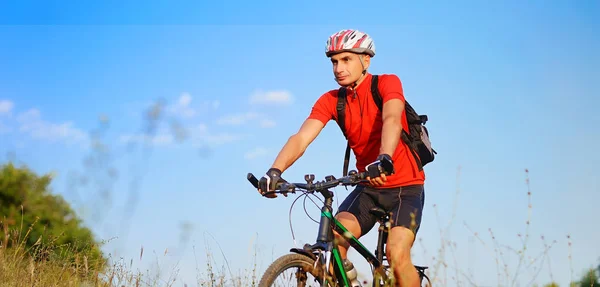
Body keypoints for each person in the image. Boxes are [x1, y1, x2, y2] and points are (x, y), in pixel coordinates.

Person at [257, 29, 426, 287]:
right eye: (334, 61)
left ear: (365, 61)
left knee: (396, 253)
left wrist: (384, 158)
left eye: (346, 59)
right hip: (368, 187)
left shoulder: (387, 84)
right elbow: (301, 138)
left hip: (405, 186)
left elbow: (392, 119)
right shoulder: (331, 101)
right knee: (334, 241)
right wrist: (274, 171)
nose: (338, 67)